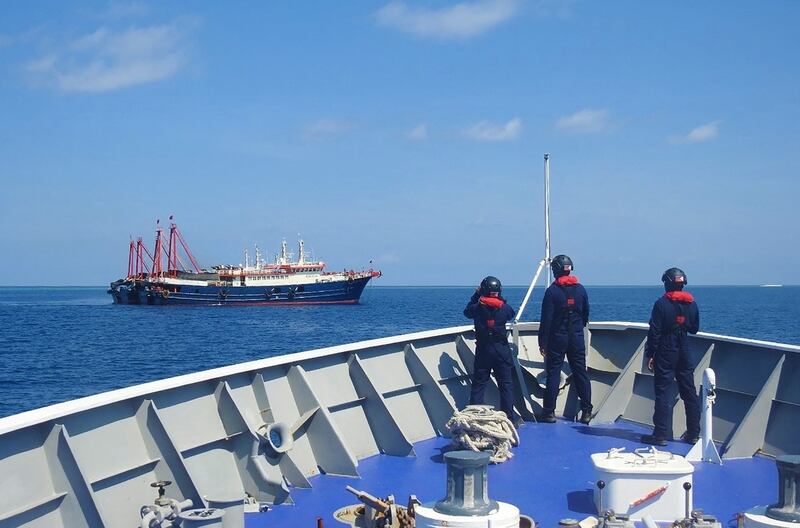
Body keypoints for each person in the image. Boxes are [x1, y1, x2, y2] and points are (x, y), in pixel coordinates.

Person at [642, 267, 701, 446]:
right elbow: (694, 328)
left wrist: (650, 354)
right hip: (684, 348)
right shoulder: (692, 304)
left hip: (666, 350)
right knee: (689, 392)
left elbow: (655, 332)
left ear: (667, 283)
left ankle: (660, 434)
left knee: (662, 393)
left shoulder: (661, 304)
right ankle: (693, 433)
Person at [537, 255, 592, 424]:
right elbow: (585, 314)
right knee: (580, 372)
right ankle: (586, 411)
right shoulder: (581, 289)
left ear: (555, 271)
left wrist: (543, 343)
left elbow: (546, 320)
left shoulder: (552, 291)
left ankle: (549, 412)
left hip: (557, 338)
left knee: (553, 373)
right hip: (576, 337)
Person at [464, 276, 523, 427]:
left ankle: (474, 418)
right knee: (506, 385)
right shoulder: (504, 308)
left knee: (478, 385)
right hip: (501, 351)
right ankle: (508, 419)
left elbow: (467, 311)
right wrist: (499, 298)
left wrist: (477, 295)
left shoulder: (477, 308)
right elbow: (511, 314)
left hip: (484, 350)